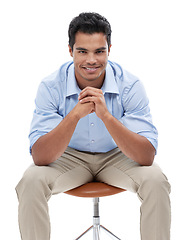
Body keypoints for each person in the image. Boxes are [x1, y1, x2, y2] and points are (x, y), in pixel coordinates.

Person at [16, 12, 171, 240]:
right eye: (82, 51)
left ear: (109, 49)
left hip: (117, 156)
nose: (91, 60)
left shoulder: (130, 85)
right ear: (70, 51)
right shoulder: (51, 86)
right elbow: (40, 157)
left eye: (99, 51)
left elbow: (146, 157)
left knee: (156, 180)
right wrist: (74, 116)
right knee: (30, 181)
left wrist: (107, 116)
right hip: (68, 158)